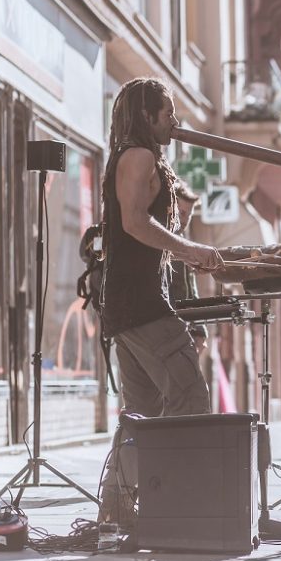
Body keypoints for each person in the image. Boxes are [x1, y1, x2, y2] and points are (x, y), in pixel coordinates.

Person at [97, 77, 224, 525]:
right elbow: (133, 222)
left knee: (142, 414)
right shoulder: (139, 155)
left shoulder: (134, 155)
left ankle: (115, 510)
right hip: (142, 305)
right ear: (146, 115)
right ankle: (173, 504)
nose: (174, 121)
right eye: (167, 113)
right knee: (190, 397)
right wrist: (189, 251)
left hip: (129, 306)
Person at [168, 181, 208, 353]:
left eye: (189, 215)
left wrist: (200, 330)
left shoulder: (183, 241)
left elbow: (192, 290)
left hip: (184, 327)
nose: (184, 220)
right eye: (181, 213)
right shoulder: (161, 240)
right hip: (167, 328)